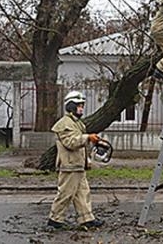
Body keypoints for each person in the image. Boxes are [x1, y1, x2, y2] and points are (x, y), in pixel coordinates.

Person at [47, 91, 104, 229]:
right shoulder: (64, 124)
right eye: (79, 105)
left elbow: (80, 143)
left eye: (82, 105)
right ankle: (54, 220)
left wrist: (91, 147)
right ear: (71, 106)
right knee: (66, 194)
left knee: (83, 193)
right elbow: (70, 142)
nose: (81, 108)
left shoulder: (76, 123)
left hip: (77, 166)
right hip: (69, 166)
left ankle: (87, 219)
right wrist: (87, 138)